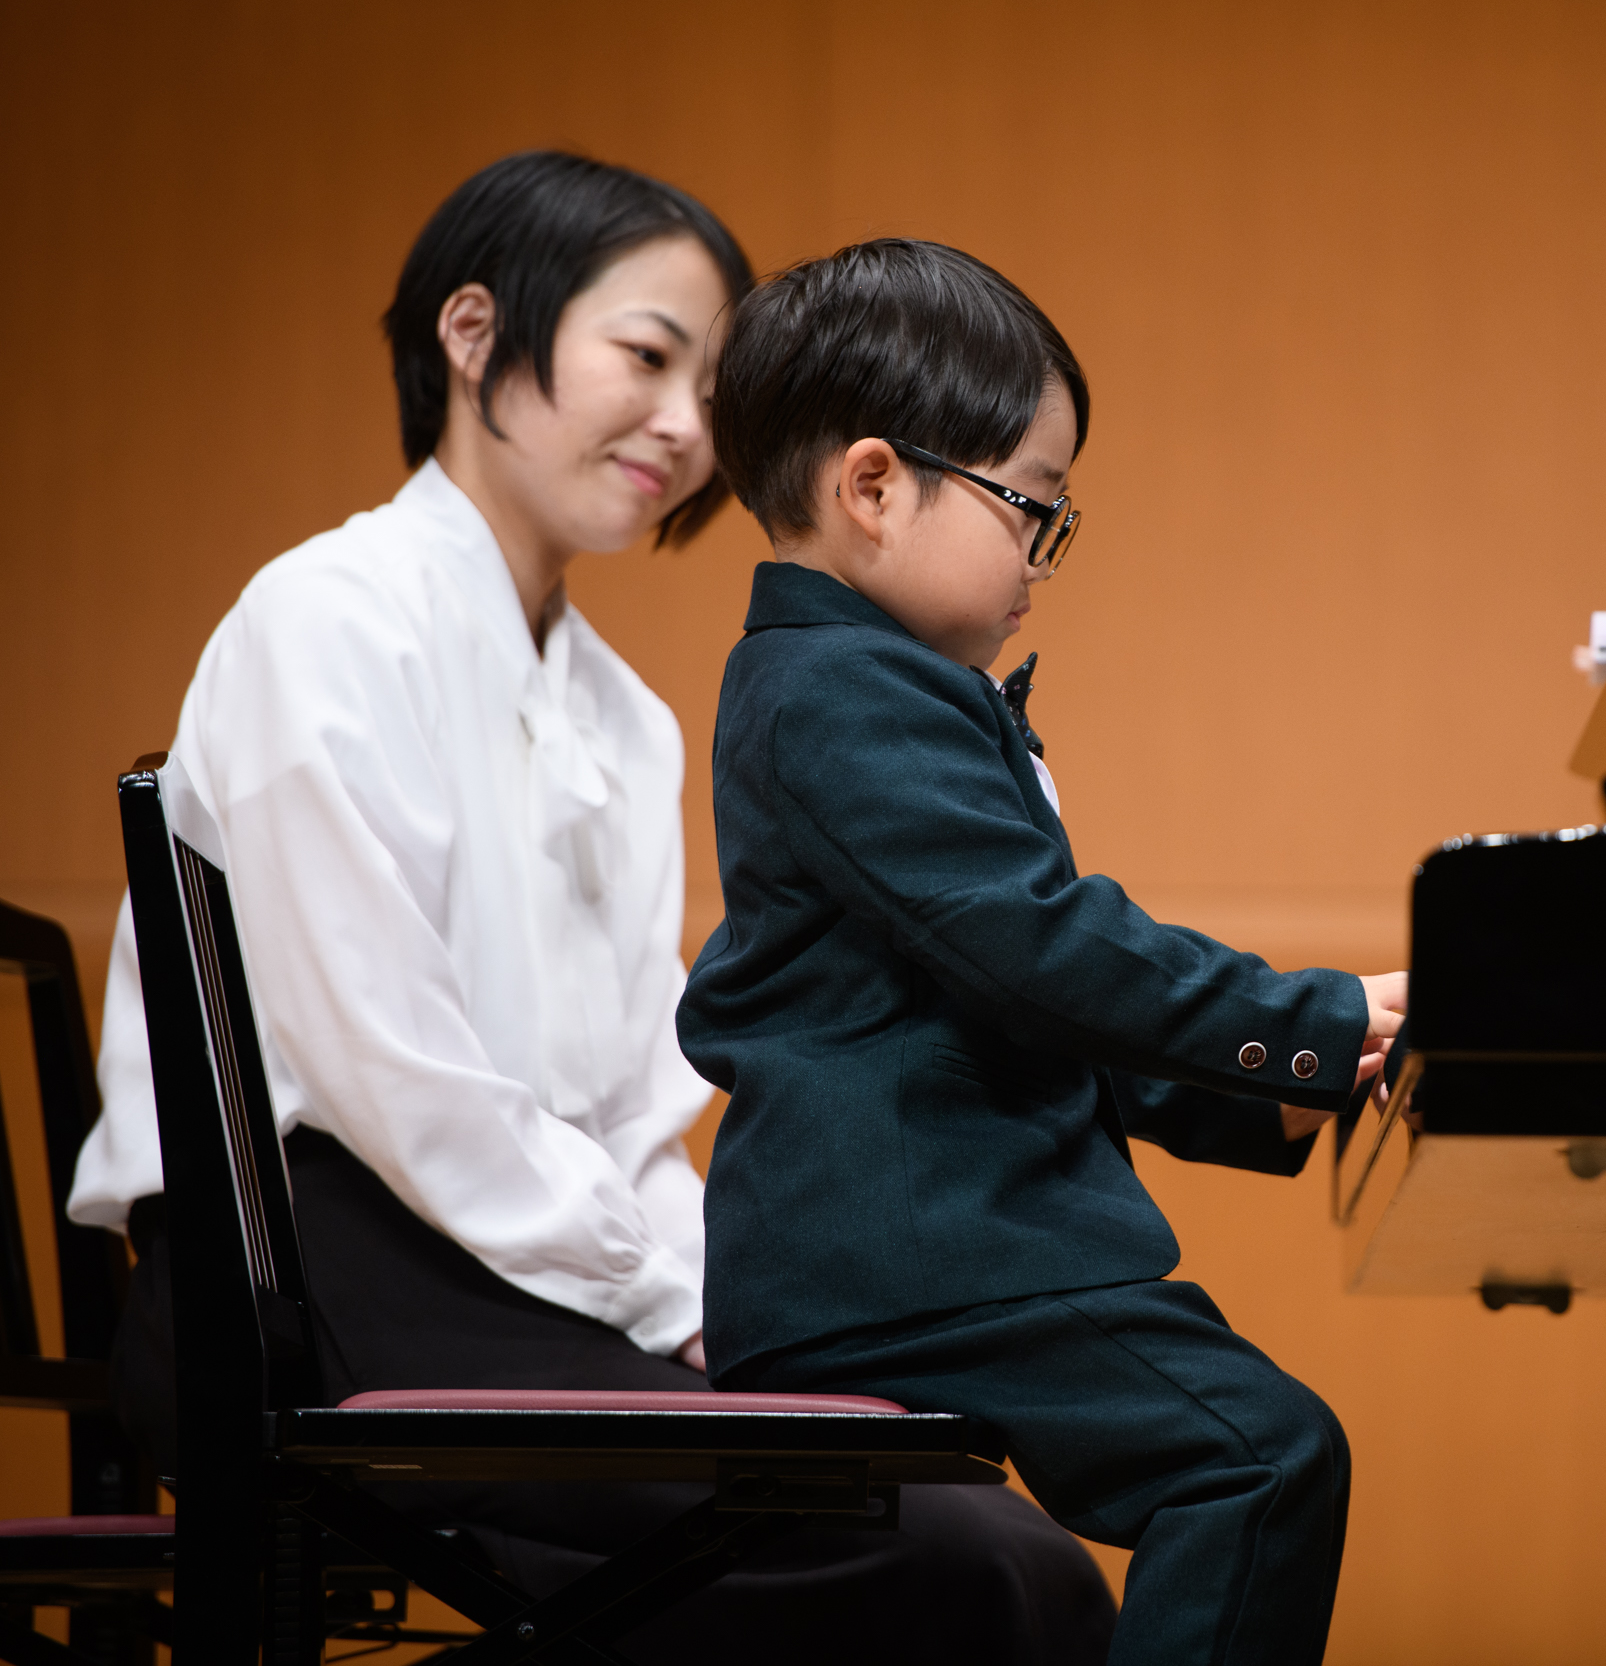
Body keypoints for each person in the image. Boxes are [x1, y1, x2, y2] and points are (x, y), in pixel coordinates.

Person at [67, 152, 1117, 1664]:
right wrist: (650, 1289)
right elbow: (389, 1073)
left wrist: (712, 1305)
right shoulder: (323, 618)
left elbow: (644, 1101)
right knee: (958, 1568)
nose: (691, 424)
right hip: (307, 1285)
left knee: (997, 1546)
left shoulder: (629, 719)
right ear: (476, 332)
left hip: (533, 1279)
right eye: (647, 356)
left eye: (715, 383)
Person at [681, 237, 1410, 1666]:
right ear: (877, 486)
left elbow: (1016, 1001)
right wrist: (1303, 1021)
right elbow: (1040, 950)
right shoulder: (841, 692)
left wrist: (1289, 1071)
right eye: (1035, 507)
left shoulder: (861, 683)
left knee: (1258, 1452)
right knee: (1260, 1459)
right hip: (910, 1263)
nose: (1044, 555)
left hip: (926, 1256)